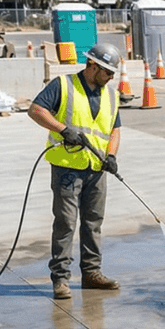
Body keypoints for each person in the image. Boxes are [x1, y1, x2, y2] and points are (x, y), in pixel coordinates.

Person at [27, 42, 125, 300]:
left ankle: (92, 273)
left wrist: (111, 155)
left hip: (96, 168)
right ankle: (60, 279)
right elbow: (35, 110)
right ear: (93, 66)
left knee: (93, 222)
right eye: (108, 72)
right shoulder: (63, 85)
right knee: (66, 222)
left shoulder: (111, 95)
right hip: (67, 168)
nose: (111, 77)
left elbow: (114, 130)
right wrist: (62, 129)